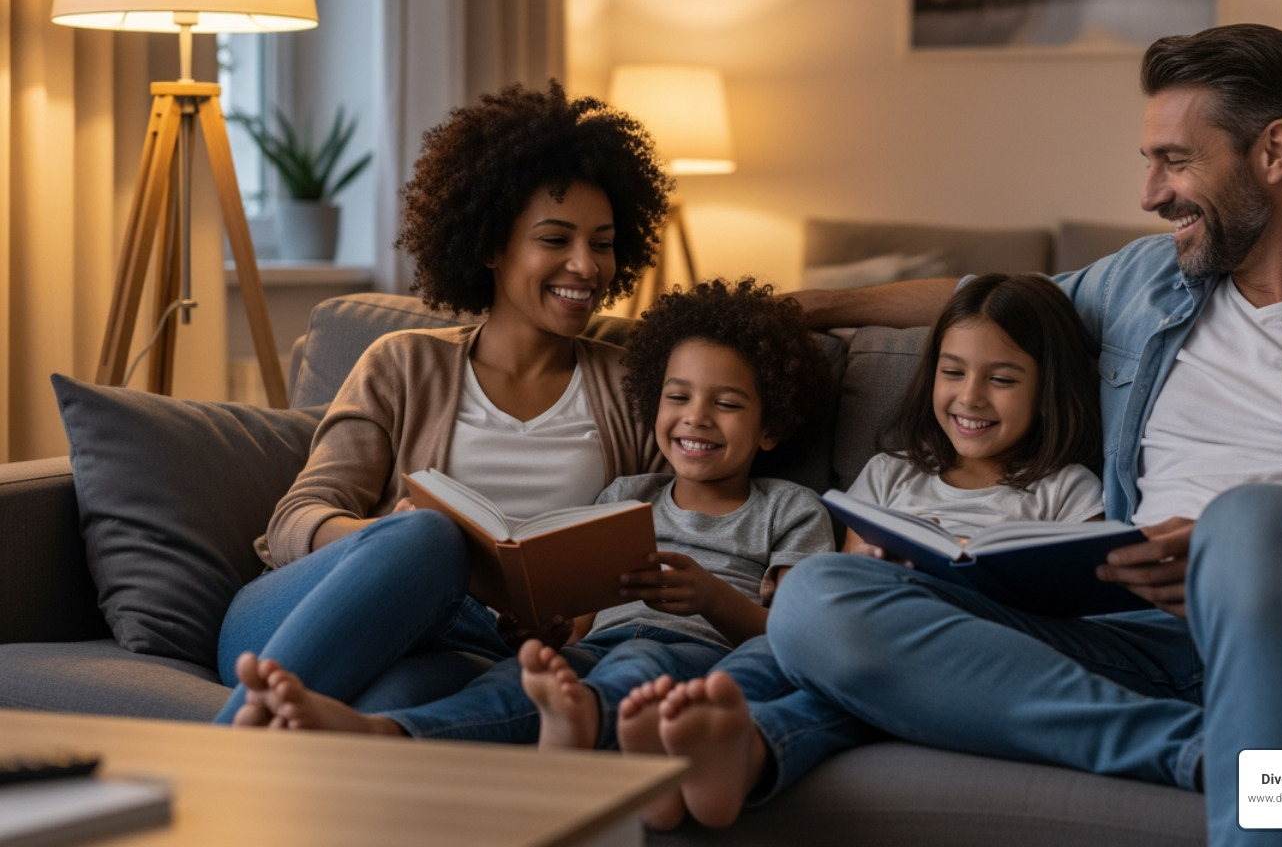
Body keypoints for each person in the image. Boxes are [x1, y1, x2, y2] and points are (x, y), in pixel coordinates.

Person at [684, 24, 1282, 847]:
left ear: (1274, 152)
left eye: (1176, 161)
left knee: (1251, 520)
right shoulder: (1142, 281)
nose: (1150, 194)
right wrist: (810, 308)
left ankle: (1274, 706)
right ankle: (1231, 761)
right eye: (1149, 162)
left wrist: (1247, 560)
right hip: (1143, 640)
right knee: (821, 598)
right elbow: (994, 300)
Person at [213, 80, 673, 724]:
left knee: (388, 714)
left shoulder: (634, 388)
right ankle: (216, 757)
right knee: (430, 536)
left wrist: (571, 624)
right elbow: (294, 520)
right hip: (298, 614)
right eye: (555, 239)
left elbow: (663, 543)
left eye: (602, 243)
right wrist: (392, 540)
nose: (586, 265)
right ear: (489, 245)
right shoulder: (402, 364)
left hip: (471, 647)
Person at [228, 278, 838, 754]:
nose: (696, 416)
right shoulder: (627, 493)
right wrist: (391, 540)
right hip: (386, 598)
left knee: (552, 674)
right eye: (677, 397)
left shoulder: (788, 507)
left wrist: (705, 599)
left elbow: (799, 634)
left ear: (772, 425)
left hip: (660, 652)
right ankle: (237, 750)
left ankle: (387, 733)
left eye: (725, 403)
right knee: (503, 646)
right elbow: (583, 621)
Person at [623, 272, 1107, 827]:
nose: (970, 396)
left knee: (861, 690)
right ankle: (701, 732)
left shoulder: (1068, 491)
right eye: (952, 372)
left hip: (966, 656)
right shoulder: (889, 474)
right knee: (786, 653)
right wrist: (869, 569)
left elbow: (1083, 614)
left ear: (1046, 389)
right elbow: (842, 578)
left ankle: (731, 750)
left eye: (1000, 379)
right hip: (868, 641)